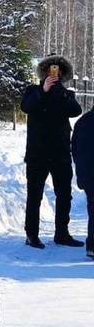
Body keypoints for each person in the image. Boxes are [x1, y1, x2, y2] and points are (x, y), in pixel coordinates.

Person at [21, 56, 83, 248]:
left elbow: (76, 111)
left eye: (58, 71)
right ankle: (31, 235)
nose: (54, 73)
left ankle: (62, 233)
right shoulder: (33, 91)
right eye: (50, 70)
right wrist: (43, 90)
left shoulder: (66, 94)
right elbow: (26, 106)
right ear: (45, 72)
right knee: (34, 195)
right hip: (37, 153)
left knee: (64, 194)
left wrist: (61, 93)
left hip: (60, 153)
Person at [72, 103, 94, 259]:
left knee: (92, 208)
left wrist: (81, 174)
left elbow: (75, 150)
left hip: (88, 174)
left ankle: (92, 245)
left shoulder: (83, 121)